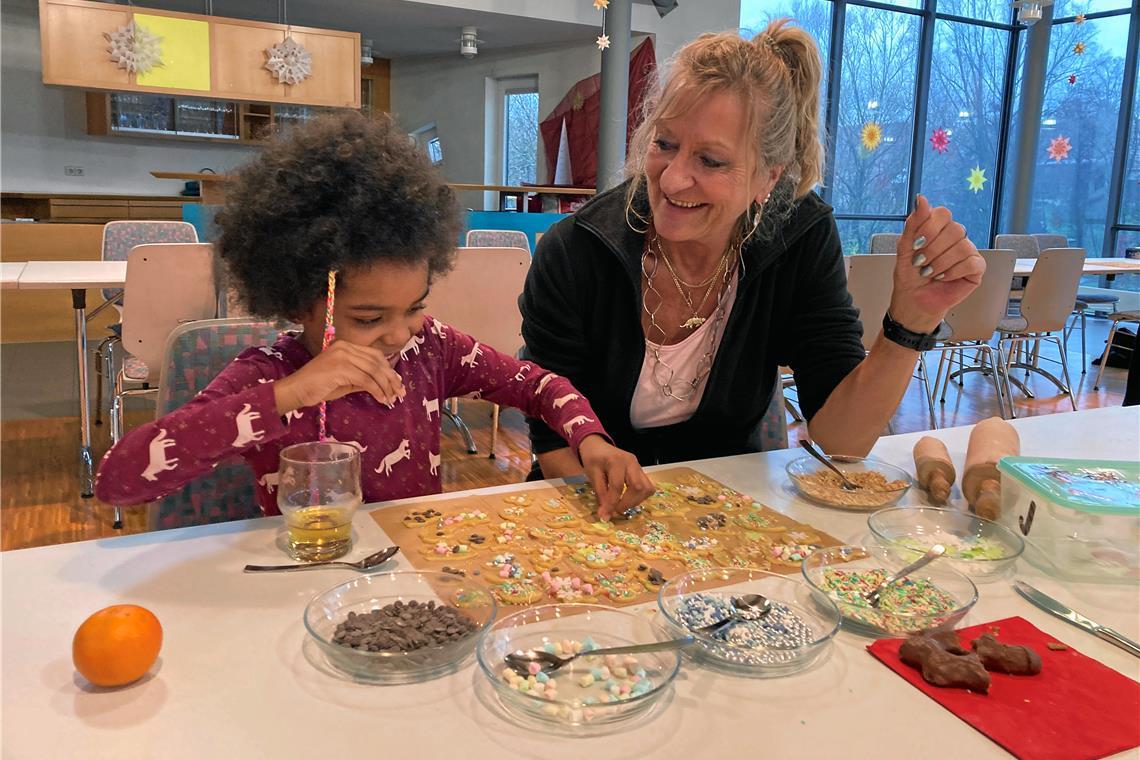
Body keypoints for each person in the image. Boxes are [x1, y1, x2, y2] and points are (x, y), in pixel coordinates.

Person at [520, 21, 985, 519]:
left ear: (771, 175)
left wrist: (910, 322)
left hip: (727, 504)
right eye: (665, 144)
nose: (674, 178)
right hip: (589, 505)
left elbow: (840, 440)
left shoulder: (799, 239)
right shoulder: (578, 250)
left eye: (712, 161)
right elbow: (555, 444)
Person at [95, 112, 654, 517]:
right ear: (297, 300)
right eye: (367, 318)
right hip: (305, 577)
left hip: (414, 570)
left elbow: (539, 386)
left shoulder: (429, 348)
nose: (397, 334)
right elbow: (120, 479)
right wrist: (287, 397)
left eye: (413, 308)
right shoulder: (270, 376)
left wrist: (591, 440)